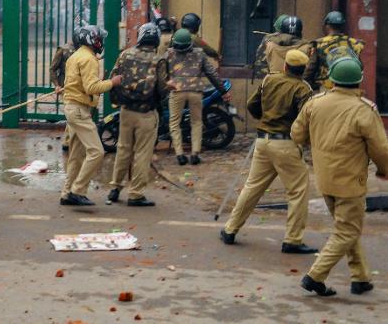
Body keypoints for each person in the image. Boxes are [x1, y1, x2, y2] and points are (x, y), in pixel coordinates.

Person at [292, 58, 388, 297]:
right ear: (359, 81)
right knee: (347, 230)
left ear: (331, 78)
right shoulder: (364, 109)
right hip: (350, 181)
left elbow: (296, 134)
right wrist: (384, 170)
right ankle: (315, 276)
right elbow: (381, 149)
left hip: (324, 178)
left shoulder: (315, 103)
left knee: (346, 228)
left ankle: (361, 277)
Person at [220, 49, 317, 253]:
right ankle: (293, 239)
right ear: (303, 70)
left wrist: (266, 118)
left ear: (285, 66)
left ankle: (230, 229)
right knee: (298, 191)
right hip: (286, 144)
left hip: (263, 142)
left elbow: (251, 105)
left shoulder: (269, 80)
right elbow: (305, 120)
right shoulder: (303, 89)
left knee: (252, 187)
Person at [106, 23, 169, 207]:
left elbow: (114, 78)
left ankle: (115, 188)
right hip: (146, 113)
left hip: (126, 111)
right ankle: (135, 194)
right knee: (142, 153)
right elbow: (163, 89)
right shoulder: (159, 60)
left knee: (123, 149)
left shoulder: (125, 54)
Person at [60, 25, 121, 206]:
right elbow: (91, 88)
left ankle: (66, 193)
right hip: (79, 111)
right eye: (98, 38)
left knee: (76, 155)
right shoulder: (88, 59)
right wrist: (113, 82)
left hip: (73, 108)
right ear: (90, 40)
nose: (100, 42)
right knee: (97, 152)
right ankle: (77, 190)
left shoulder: (75, 56)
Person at [165, 29, 229, 166]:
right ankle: (195, 153)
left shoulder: (168, 54)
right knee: (196, 122)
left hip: (176, 91)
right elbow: (211, 73)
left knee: (174, 123)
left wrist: (165, 84)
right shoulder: (199, 54)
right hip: (196, 91)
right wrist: (223, 90)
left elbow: (161, 71)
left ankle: (180, 154)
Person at [303, 11, 364, 91]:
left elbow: (310, 70)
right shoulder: (354, 43)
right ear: (342, 26)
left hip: (325, 89)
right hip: (349, 89)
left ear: (327, 26)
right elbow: (360, 67)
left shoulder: (319, 44)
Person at [50, 33, 78, 153]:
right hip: (65, 88)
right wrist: (56, 85)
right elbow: (52, 68)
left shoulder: (83, 51)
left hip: (78, 87)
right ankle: (67, 142)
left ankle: (68, 141)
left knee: (74, 114)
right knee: (72, 114)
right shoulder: (63, 50)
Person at [251, 14, 288, 79]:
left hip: (270, 76)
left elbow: (259, 60)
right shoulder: (271, 39)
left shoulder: (268, 38)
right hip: (274, 76)